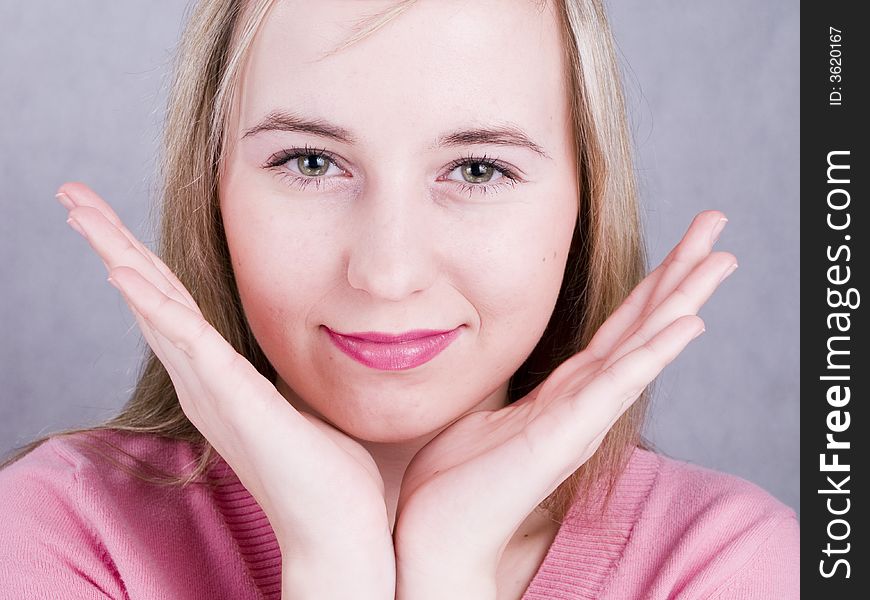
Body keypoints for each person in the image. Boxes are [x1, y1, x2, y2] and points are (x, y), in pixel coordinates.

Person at [0, 0, 799, 598]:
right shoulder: (56, 533)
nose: (386, 273)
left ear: (585, 202)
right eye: (310, 162)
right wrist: (334, 564)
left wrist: (450, 566)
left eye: (478, 169)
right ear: (212, 191)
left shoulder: (724, 565)